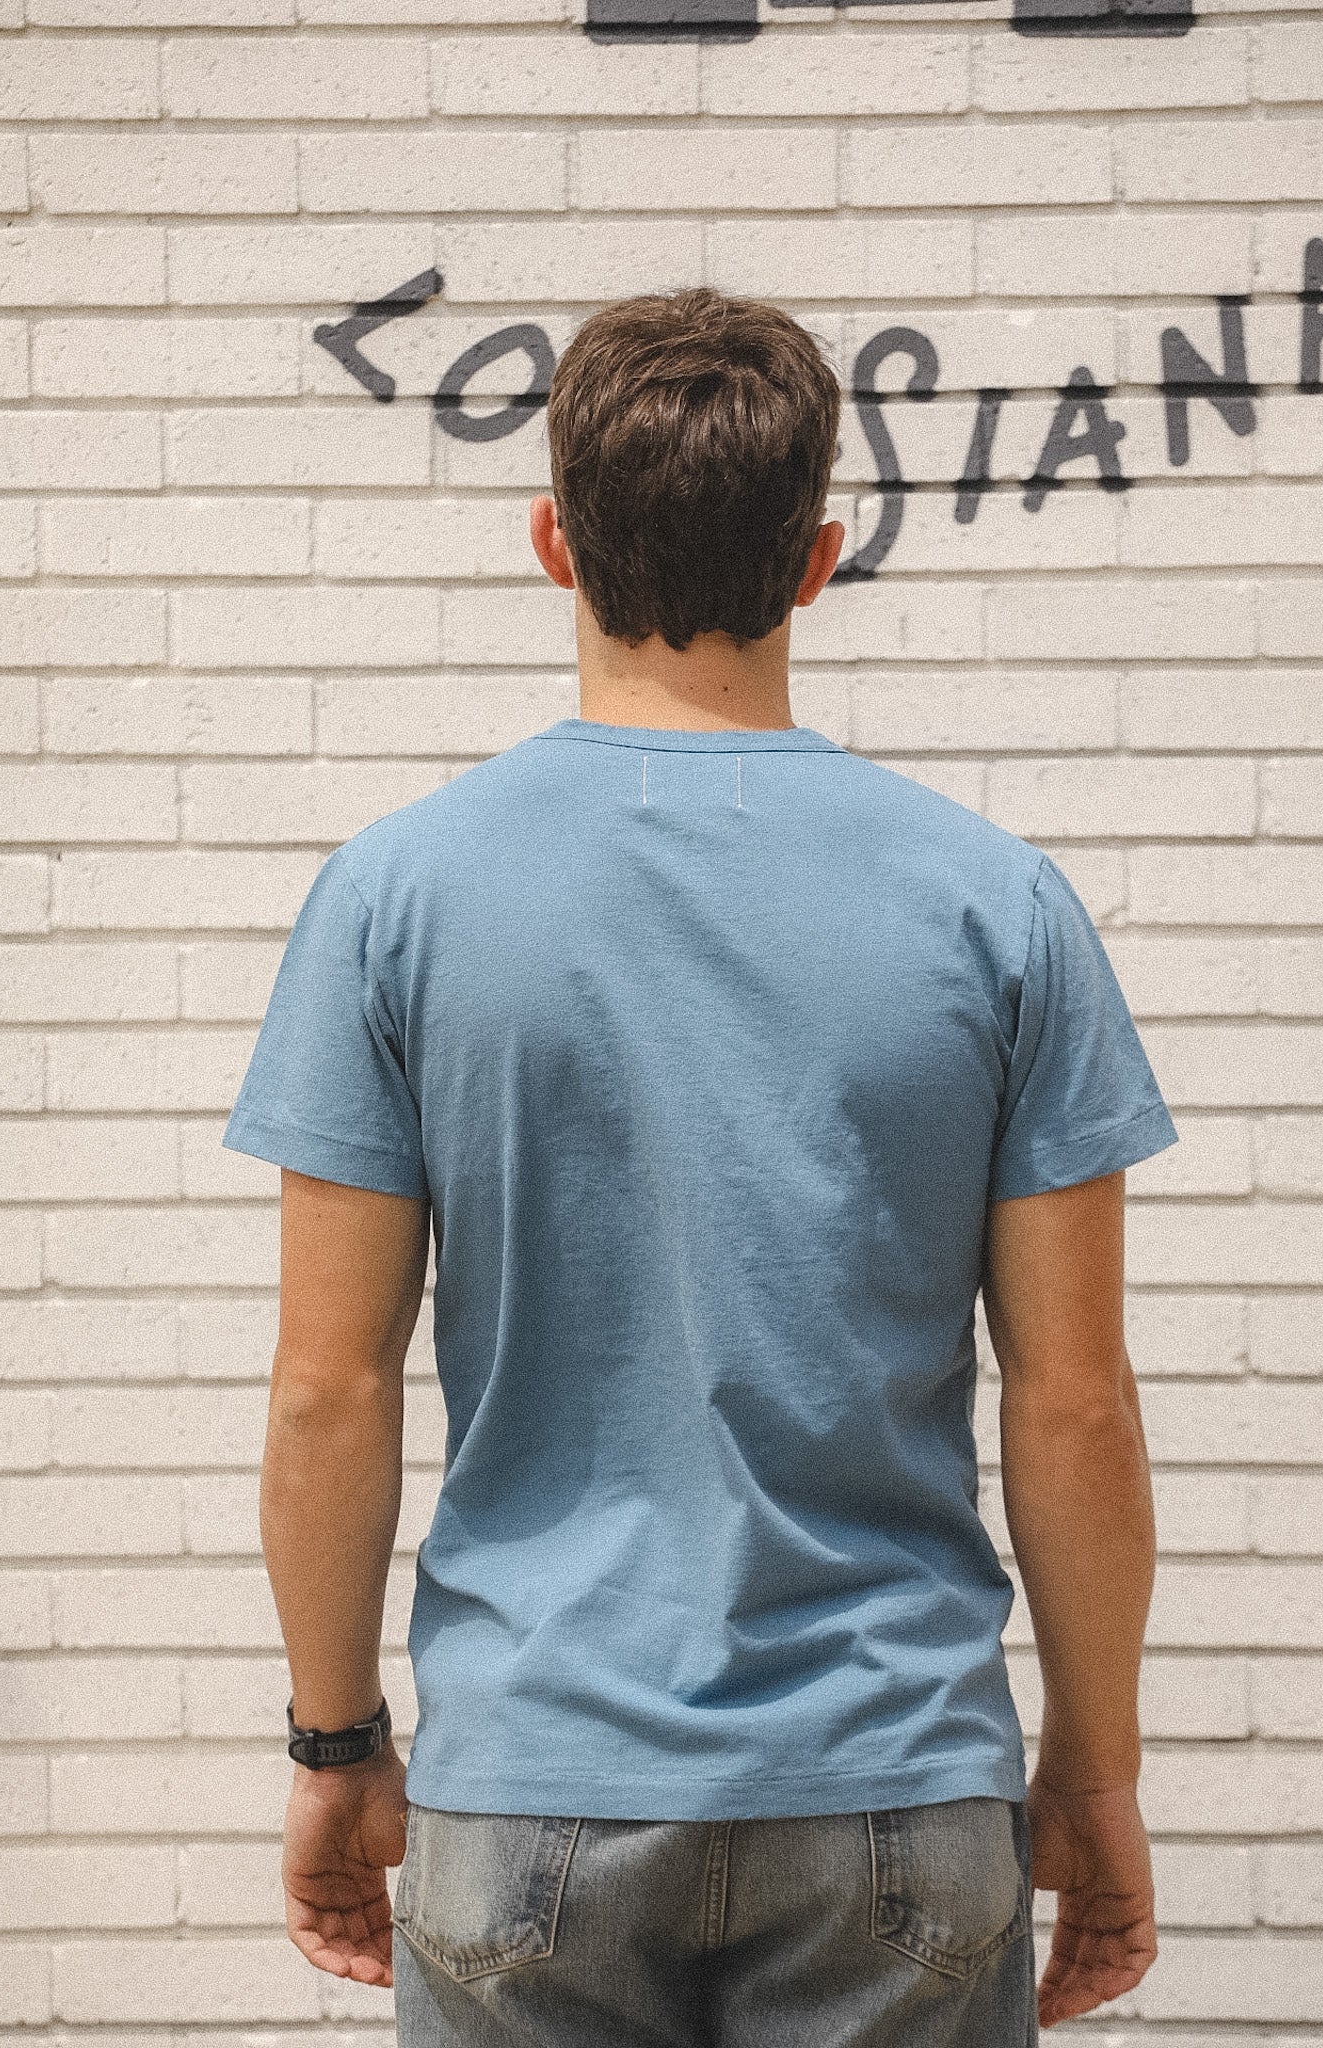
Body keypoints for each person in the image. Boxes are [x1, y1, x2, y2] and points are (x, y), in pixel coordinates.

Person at [222, 285, 1177, 2045]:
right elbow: (1075, 1406)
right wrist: (1094, 1783)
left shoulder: (397, 898)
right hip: (895, 1787)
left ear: (548, 542)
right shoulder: (997, 906)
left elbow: (325, 1391)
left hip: (527, 1784)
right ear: (817, 559)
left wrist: (337, 1745)